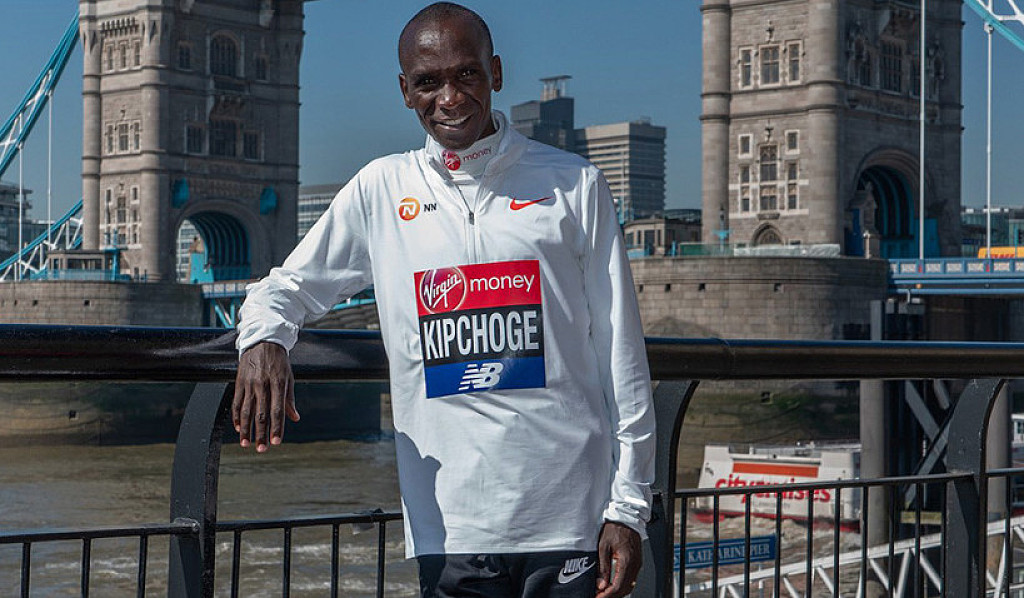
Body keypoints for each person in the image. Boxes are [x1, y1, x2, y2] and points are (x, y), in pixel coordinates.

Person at [233, 3, 655, 597]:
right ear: (405, 91)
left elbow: (621, 355)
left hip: (571, 518)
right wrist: (264, 338)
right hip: (451, 527)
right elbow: (286, 287)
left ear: (496, 73)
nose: (450, 98)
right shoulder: (382, 188)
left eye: (467, 74)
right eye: (428, 82)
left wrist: (628, 507)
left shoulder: (574, 184)